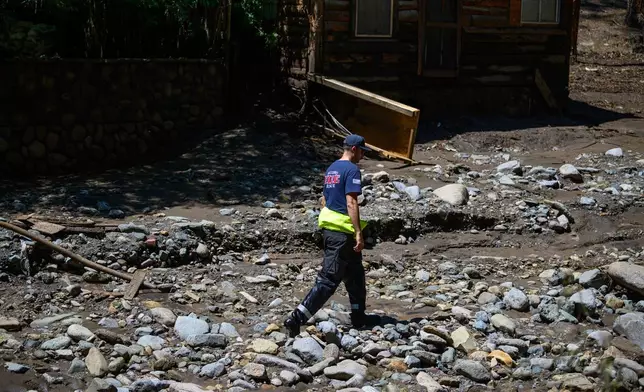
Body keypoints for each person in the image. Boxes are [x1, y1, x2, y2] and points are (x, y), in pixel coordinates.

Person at [284, 134, 376, 337]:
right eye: (362, 151)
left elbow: (324, 200)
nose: (362, 155)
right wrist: (359, 232)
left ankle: (359, 317)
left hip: (332, 230)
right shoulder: (352, 170)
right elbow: (351, 202)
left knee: (355, 275)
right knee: (328, 279)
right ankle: (296, 318)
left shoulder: (332, 168)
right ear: (353, 149)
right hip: (341, 233)